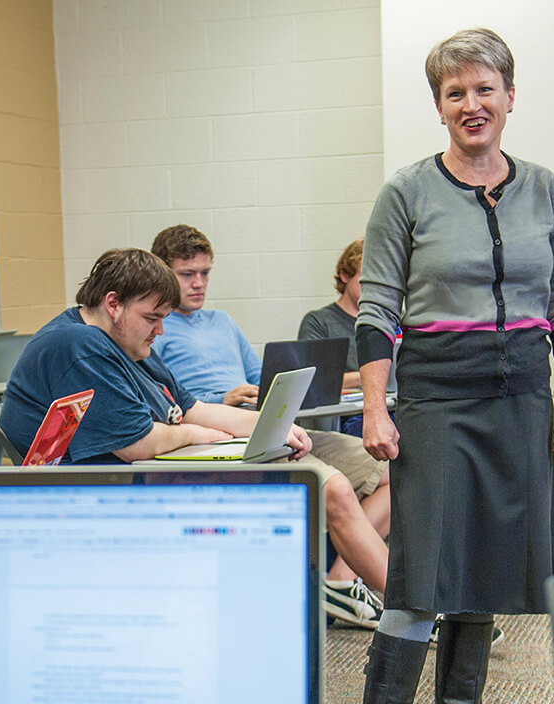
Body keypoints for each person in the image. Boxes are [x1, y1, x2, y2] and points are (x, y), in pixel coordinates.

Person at [356, 28, 554, 704]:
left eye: (484, 88)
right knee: (420, 575)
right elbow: (375, 313)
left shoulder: (545, 190)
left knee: (483, 575)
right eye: (454, 92)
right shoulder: (404, 193)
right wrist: (377, 406)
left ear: (510, 96)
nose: (471, 103)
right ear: (439, 107)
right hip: (436, 399)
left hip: (520, 396)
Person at [0, 247, 387, 628]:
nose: (160, 330)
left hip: (165, 460)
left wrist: (270, 424)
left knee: (378, 466)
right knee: (329, 486)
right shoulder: (77, 345)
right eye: (152, 317)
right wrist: (196, 434)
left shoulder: (128, 342)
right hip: (119, 482)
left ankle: (366, 595)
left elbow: (190, 407)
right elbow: (139, 443)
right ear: (113, 303)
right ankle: (407, 617)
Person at [147, 226, 394, 627]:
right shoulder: (154, 326)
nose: (198, 283)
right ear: (163, 273)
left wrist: (271, 395)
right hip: (215, 435)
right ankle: (409, 615)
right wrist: (217, 403)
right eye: (187, 274)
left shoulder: (222, 322)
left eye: (205, 273)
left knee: (393, 470)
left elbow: (264, 379)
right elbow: (163, 401)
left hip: (262, 423)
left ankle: (340, 584)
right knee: (336, 487)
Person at [299, 239, 373, 435]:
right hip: (352, 416)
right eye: (365, 277)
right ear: (344, 275)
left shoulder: (392, 320)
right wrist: (376, 375)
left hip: (395, 409)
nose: (372, 286)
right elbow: (314, 382)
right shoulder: (319, 322)